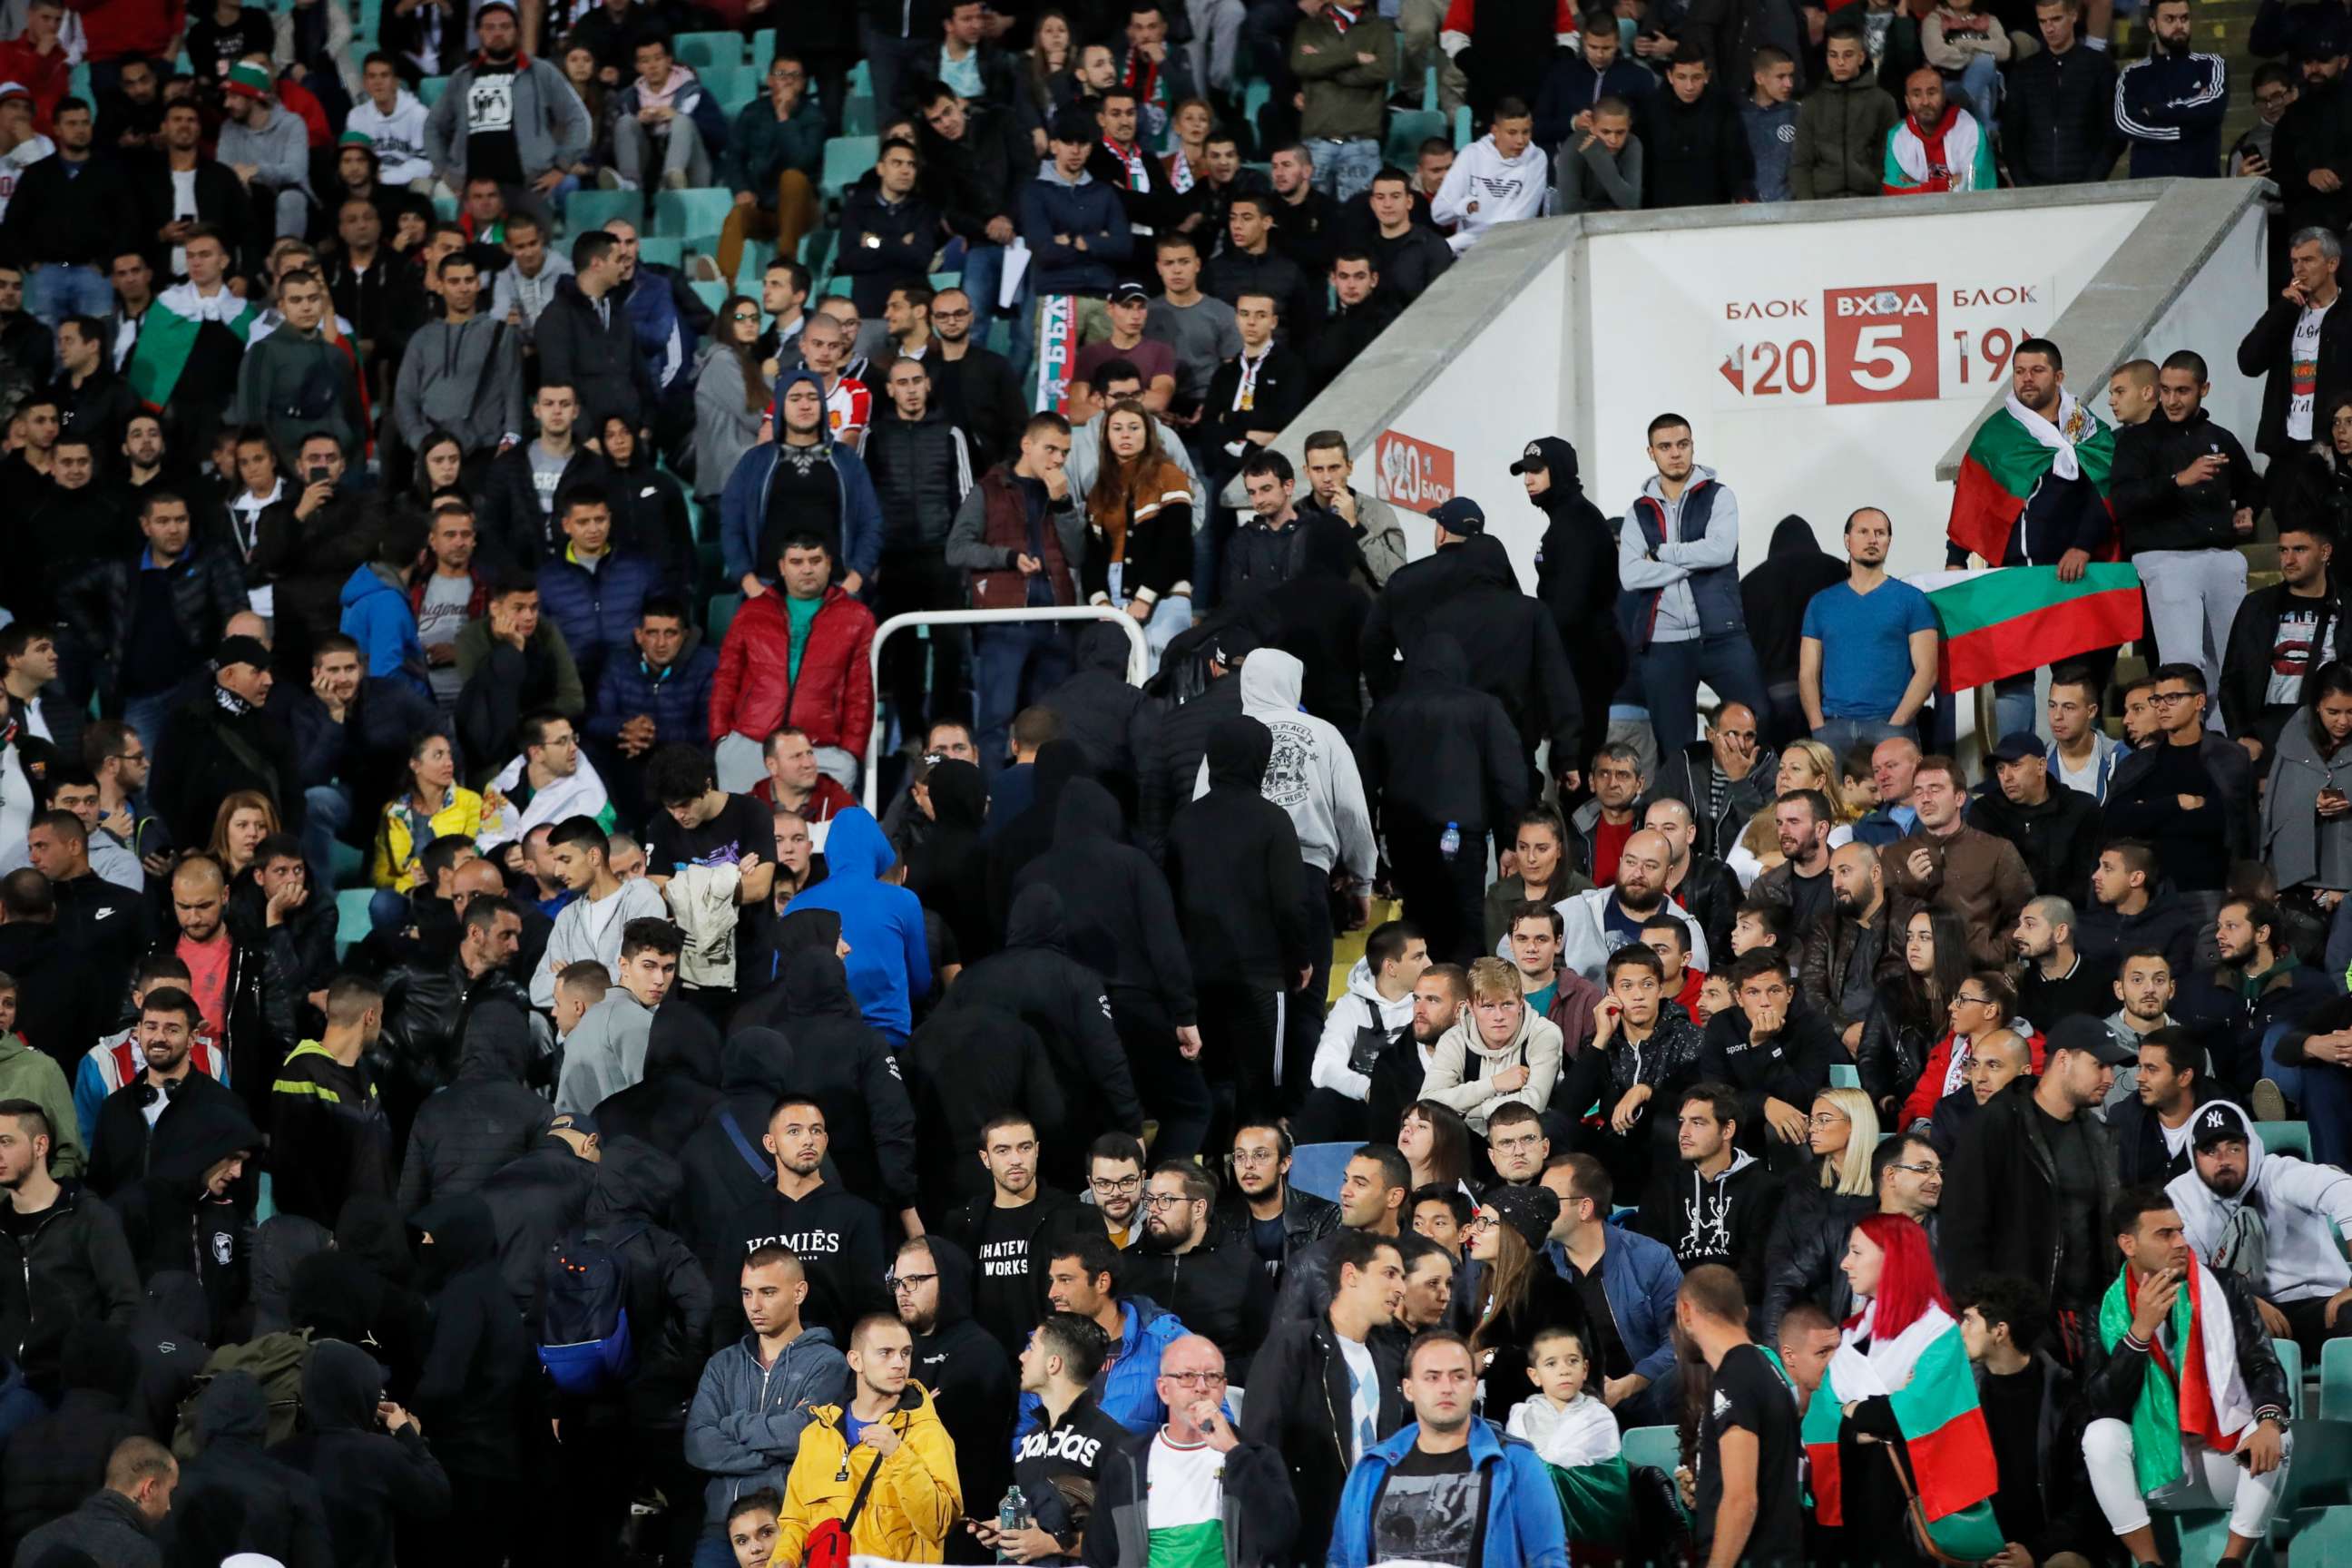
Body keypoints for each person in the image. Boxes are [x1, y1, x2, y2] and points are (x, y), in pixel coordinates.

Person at [2082, 1188, 2291, 1566]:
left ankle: (2232, 1561)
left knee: (2279, 1432)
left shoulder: (2225, 1289)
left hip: (2224, 1456)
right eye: (2165, 1234)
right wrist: (2139, 1333)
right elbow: (2102, 1402)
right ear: (2128, 1244)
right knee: (2100, 1436)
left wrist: (2269, 1420)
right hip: (2160, 1466)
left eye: (2180, 1230)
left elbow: (2263, 1365)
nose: (2181, 1242)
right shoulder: (2104, 1310)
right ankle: (2150, 1563)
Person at [1799, 1212, 2004, 1560]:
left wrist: (1853, 1412)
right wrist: (1873, 1417)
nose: (1845, 1263)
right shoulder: (1849, 1336)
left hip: (1908, 1513)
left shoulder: (1939, 1333)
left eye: (1857, 1252)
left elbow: (1911, 1413)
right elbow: (1818, 1420)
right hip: (1850, 1506)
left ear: (1892, 1257)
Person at [1942, 1017, 2131, 1357]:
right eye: (2099, 1065)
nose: (2109, 1078)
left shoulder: (2099, 1135)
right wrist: (1991, 1316)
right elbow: (1962, 1230)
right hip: (2020, 1328)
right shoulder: (1996, 1124)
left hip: (2090, 1323)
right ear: (2062, 1060)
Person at [684, 1248, 849, 1568]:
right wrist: (774, 1452)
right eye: (747, 1293)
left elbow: (802, 1438)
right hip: (721, 1529)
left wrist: (733, 1425)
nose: (754, 1306)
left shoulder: (828, 1363)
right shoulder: (722, 1365)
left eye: (767, 1292)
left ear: (799, 1292)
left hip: (791, 1529)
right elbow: (699, 1445)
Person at [1081, 1334, 1299, 1568]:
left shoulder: (1256, 1457)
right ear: (1164, 1390)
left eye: (1213, 1377)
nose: (1202, 1388)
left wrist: (1233, 1450)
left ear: (1224, 1388)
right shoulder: (1128, 1463)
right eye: (1187, 1376)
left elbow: (1279, 1540)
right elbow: (1099, 1555)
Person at [1618, 415, 1766, 755]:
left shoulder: (1719, 497)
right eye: (1665, 446)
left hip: (1721, 633)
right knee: (1675, 746)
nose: (1675, 454)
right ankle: (1687, 809)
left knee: (1759, 721)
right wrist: (1688, 566)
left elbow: (1720, 550)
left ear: (1692, 446)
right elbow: (1630, 575)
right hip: (1663, 643)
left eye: (1682, 445)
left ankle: (1756, 803)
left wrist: (1663, 554)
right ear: (1651, 452)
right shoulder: (1637, 513)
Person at [2165, 1099, 2352, 1356]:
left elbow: (2346, 1193)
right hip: (2241, 1310)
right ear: (2194, 1156)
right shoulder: (2181, 1196)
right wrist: (2242, 1300)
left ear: (2250, 1148)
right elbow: (2187, 1270)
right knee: (2200, 1329)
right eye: (2210, 1151)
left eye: (2233, 1148)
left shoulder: (2279, 1173)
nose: (2223, 1161)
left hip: (2319, 1302)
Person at [710, 529, 876, 796]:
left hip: (821, 748)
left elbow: (861, 693)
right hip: (749, 743)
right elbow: (726, 678)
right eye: (797, 562)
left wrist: (850, 754)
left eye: (815, 560)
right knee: (743, 835)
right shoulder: (752, 612)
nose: (807, 569)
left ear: (829, 563)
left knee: (813, 837)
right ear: (782, 567)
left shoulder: (857, 618)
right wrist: (722, 740)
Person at [717, 1096, 892, 1339]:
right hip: (759, 1369)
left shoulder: (859, 1215)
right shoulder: (743, 1223)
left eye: (816, 1130)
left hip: (836, 1364)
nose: (808, 1140)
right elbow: (726, 1312)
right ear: (770, 1143)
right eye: (794, 1131)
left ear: (826, 1140)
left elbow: (873, 1307)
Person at [0, 1100, 139, 1387]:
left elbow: (125, 1303)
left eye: (6, 1142)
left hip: (71, 1387)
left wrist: (93, 1369)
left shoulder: (89, 1217)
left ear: (40, 1146)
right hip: (9, 1386)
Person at [940, 1112, 1092, 1358]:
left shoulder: (1073, 1216)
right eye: (1002, 1150)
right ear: (985, 1158)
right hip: (986, 1367)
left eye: (1024, 1148)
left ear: (1037, 1150)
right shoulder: (963, 1225)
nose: (1016, 1160)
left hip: (1056, 1363)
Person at [1798, 508, 1937, 756]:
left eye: (1880, 533)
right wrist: (1817, 727)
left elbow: (1927, 671)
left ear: (1889, 542)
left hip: (1890, 726)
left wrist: (1897, 724)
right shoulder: (1821, 603)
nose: (1872, 539)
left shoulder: (1912, 600)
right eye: (1863, 532)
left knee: (1898, 796)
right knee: (1832, 796)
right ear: (1847, 540)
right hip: (1833, 728)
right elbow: (1808, 672)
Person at [1880, 754, 2036, 969]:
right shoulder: (1894, 854)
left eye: (1935, 789)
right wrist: (1912, 884)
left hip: (1978, 976)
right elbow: (1881, 923)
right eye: (1918, 791)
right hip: (1915, 982)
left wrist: (1992, 952)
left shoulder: (1997, 851)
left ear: (1959, 798)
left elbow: (2026, 916)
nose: (1925, 798)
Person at [1634, 1082, 1779, 1303]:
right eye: (1682, 1122)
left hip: (1736, 1308)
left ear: (1727, 1130)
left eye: (1698, 1123)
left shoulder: (1763, 1188)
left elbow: (1757, 1269)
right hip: (1677, 1306)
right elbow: (1650, 1261)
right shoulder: (1662, 1186)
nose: (1684, 1133)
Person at [268, 971, 393, 1226]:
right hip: (327, 1239)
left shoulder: (365, 1075)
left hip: (369, 1233)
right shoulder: (301, 1075)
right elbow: (291, 1171)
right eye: (380, 1016)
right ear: (370, 1016)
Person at [2239, 228, 2352, 466]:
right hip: (2286, 447)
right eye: (2294, 261)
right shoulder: (2287, 313)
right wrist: (2283, 309)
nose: (2299, 268)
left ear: (2332, 264)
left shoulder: (2347, 314)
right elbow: (2248, 362)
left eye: (2308, 260)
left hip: (2334, 446)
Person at [531, 815, 669, 1010]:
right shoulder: (566, 917)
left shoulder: (643, 901)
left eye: (565, 860)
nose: (558, 871)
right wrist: (603, 975)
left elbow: (639, 977)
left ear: (594, 856)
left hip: (632, 1028)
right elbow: (537, 990)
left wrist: (569, 976)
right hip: (575, 1036)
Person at [2115, 0, 2228, 177]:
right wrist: (2182, 131)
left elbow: (2213, 109)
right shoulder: (2132, 74)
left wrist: (2156, 111)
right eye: (2170, 19)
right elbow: (2126, 124)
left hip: (2202, 185)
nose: (2179, 25)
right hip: (2149, 188)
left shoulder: (2211, 64)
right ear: (2152, 25)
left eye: (2184, 18)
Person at [1794, 20, 1899, 199]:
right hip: (1822, 203)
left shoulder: (1882, 102)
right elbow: (1801, 164)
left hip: (1869, 201)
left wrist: (1883, 205)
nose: (1840, 62)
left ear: (1861, 57)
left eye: (1848, 55)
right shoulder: (1812, 104)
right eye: (1833, 55)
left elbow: (1891, 161)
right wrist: (1809, 209)